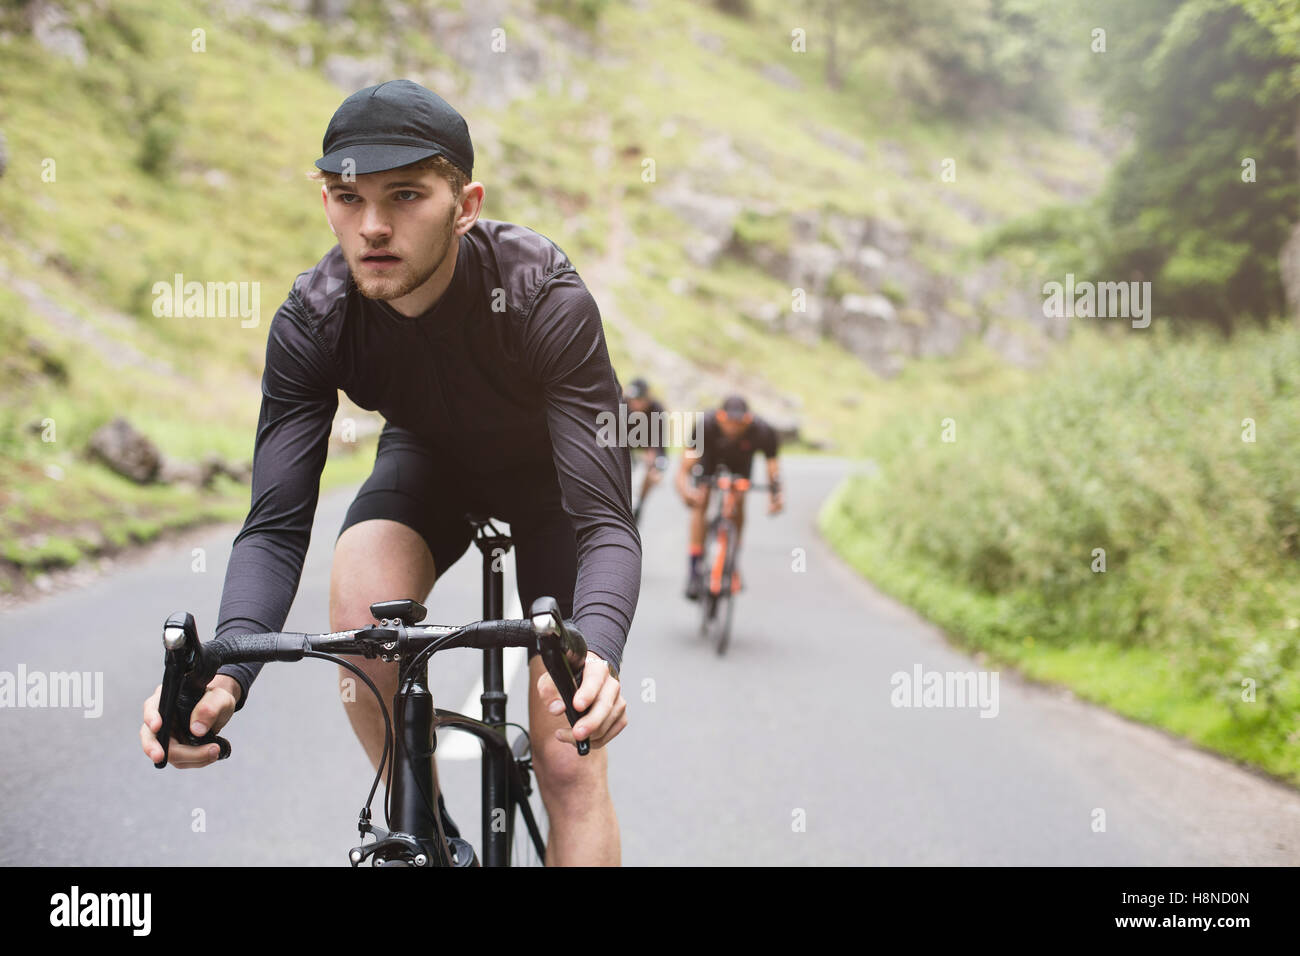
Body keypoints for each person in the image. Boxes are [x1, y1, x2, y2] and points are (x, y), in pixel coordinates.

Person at [138, 80, 638, 866]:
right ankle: (426, 831)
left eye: (405, 195)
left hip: (554, 492)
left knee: (568, 756)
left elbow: (607, 523)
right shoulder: (317, 316)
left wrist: (599, 653)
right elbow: (273, 528)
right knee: (357, 606)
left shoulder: (543, 294)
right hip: (428, 461)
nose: (371, 226)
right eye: (346, 197)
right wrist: (223, 675)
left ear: (464, 203)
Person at [675, 395, 783, 599]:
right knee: (701, 500)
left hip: (740, 464)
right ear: (720, 417)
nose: (733, 427)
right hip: (709, 459)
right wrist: (685, 490)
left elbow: (773, 468)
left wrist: (776, 496)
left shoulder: (761, 430)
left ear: (748, 420)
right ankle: (694, 569)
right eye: (729, 421)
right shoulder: (706, 425)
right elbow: (684, 468)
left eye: (739, 423)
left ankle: (732, 559)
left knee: (738, 500)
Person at [621, 377, 670, 523]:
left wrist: (656, 467)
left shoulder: (657, 409)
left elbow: (659, 442)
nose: (635, 403)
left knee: (653, 469)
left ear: (647, 399)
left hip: (648, 442)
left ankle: (640, 502)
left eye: (639, 399)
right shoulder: (621, 405)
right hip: (624, 442)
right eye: (632, 399)